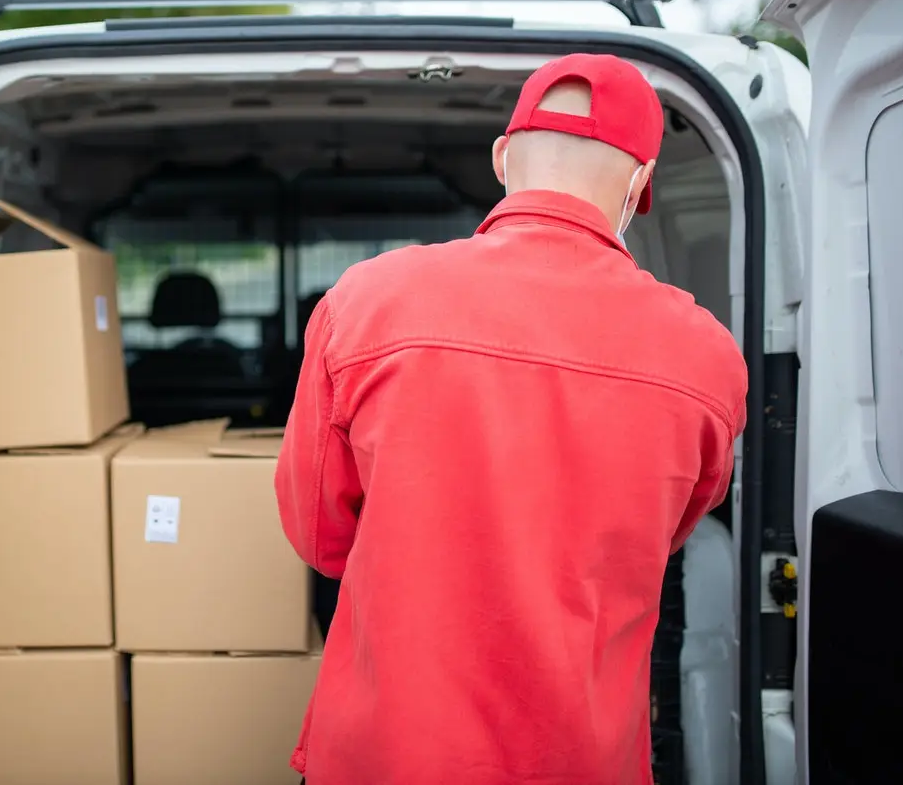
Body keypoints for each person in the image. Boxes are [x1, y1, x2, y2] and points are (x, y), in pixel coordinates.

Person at [276, 53, 748, 785]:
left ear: (501, 157)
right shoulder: (706, 357)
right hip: (578, 760)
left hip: (388, 754)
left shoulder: (366, 302)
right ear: (638, 185)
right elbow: (666, 533)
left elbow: (319, 536)